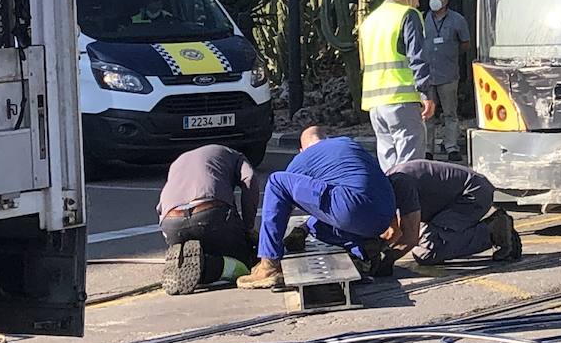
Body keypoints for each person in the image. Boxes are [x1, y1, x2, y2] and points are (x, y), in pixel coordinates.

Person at [237, 126, 396, 290]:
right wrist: (304, 229)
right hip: (384, 214)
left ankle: (268, 265)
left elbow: (281, 202)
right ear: (326, 138)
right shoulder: (348, 144)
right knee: (316, 226)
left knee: (276, 182)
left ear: (301, 149)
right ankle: (366, 249)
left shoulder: (304, 158)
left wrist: (273, 242)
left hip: (351, 208)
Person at [156, 144, 258, 295]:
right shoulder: (237, 157)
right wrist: (248, 227)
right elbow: (250, 181)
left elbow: (160, 208)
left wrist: (168, 237)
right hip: (211, 214)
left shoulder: (179, 161)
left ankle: (182, 261)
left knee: (194, 258)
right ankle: (209, 266)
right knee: (244, 265)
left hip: (171, 221)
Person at [380, 159, 521, 266]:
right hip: (462, 194)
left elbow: (410, 238)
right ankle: (487, 229)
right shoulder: (388, 184)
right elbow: (394, 231)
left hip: (472, 194)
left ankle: (492, 232)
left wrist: (385, 260)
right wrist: (379, 248)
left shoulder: (401, 185)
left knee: (428, 252)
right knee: (426, 242)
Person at [359, 0, 436, 169]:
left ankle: (391, 199)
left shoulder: (370, 20)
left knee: (388, 162)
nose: (418, 3)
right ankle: (407, 200)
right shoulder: (408, 15)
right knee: (410, 163)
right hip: (402, 100)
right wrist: (426, 94)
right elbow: (417, 57)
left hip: (375, 104)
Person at [424, 0, 472, 157]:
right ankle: (427, 149)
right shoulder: (423, 19)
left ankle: (451, 147)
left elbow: (465, 43)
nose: (433, 0)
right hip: (428, 75)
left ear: (445, 0)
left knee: (450, 113)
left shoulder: (457, 20)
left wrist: (451, 54)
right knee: (427, 115)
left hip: (449, 74)